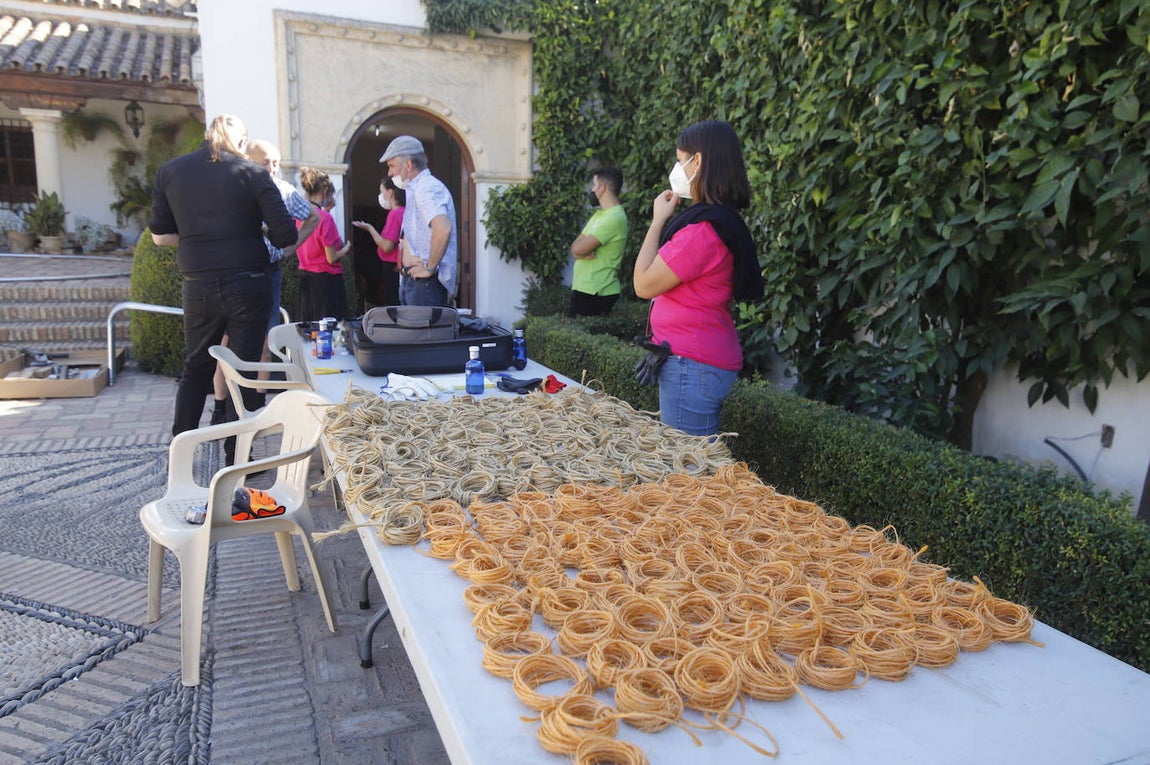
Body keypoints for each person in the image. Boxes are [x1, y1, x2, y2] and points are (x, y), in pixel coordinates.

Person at [150, 114, 297, 437]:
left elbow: (160, 236)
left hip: (198, 283)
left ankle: (181, 452)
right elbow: (285, 235)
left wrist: (194, 235)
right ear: (242, 142)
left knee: (196, 368)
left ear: (207, 136)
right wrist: (252, 230)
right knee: (241, 369)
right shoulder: (253, 173)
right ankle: (237, 459)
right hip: (248, 281)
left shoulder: (172, 171)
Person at [632, 120, 764, 437]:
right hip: (697, 362)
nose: (677, 169)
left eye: (680, 161)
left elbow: (643, 283)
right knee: (691, 469)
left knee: (688, 474)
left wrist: (657, 221)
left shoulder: (702, 233)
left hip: (693, 365)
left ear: (699, 161)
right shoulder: (716, 220)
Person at [208, 139, 319, 425]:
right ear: (248, 160)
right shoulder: (232, 188)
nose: (271, 167)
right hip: (233, 272)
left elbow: (312, 216)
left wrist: (290, 249)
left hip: (268, 271)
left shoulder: (282, 190)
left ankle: (256, 406)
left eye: (275, 162)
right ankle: (221, 407)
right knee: (225, 342)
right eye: (265, 161)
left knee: (266, 340)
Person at [379, 135, 457, 307]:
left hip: (424, 285)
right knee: (414, 334)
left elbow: (443, 228)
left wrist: (430, 267)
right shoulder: (416, 189)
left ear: (408, 164)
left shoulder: (427, 188)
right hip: (415, 281)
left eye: (392, 166)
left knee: (422, 334)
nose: (390, 173)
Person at [569, 166, 627, 317]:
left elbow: (577, 250)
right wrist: (580, 251)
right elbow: (575, 247)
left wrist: (580, 251)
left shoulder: (614, 218)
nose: (592, 189)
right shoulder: (600, 215)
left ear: (602, 187)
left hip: (597, 291)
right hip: (586, 289)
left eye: (594, 185)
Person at [295, 167, 350, 322]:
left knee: (308, 329)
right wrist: (345, 249)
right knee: (329, 330)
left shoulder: (299, 216)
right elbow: (331, 258)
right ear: (326, 191)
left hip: (306, 279)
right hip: (326, 282)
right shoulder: (325, 218)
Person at [351, 175, 405, 307]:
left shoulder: (395, 214)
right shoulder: (403, 212)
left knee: (392, 303)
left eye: (382, 192)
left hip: (392, 266)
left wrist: (370, 229)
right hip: (399, 266)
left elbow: (387, 246)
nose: (381, 196)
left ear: (390, 192)